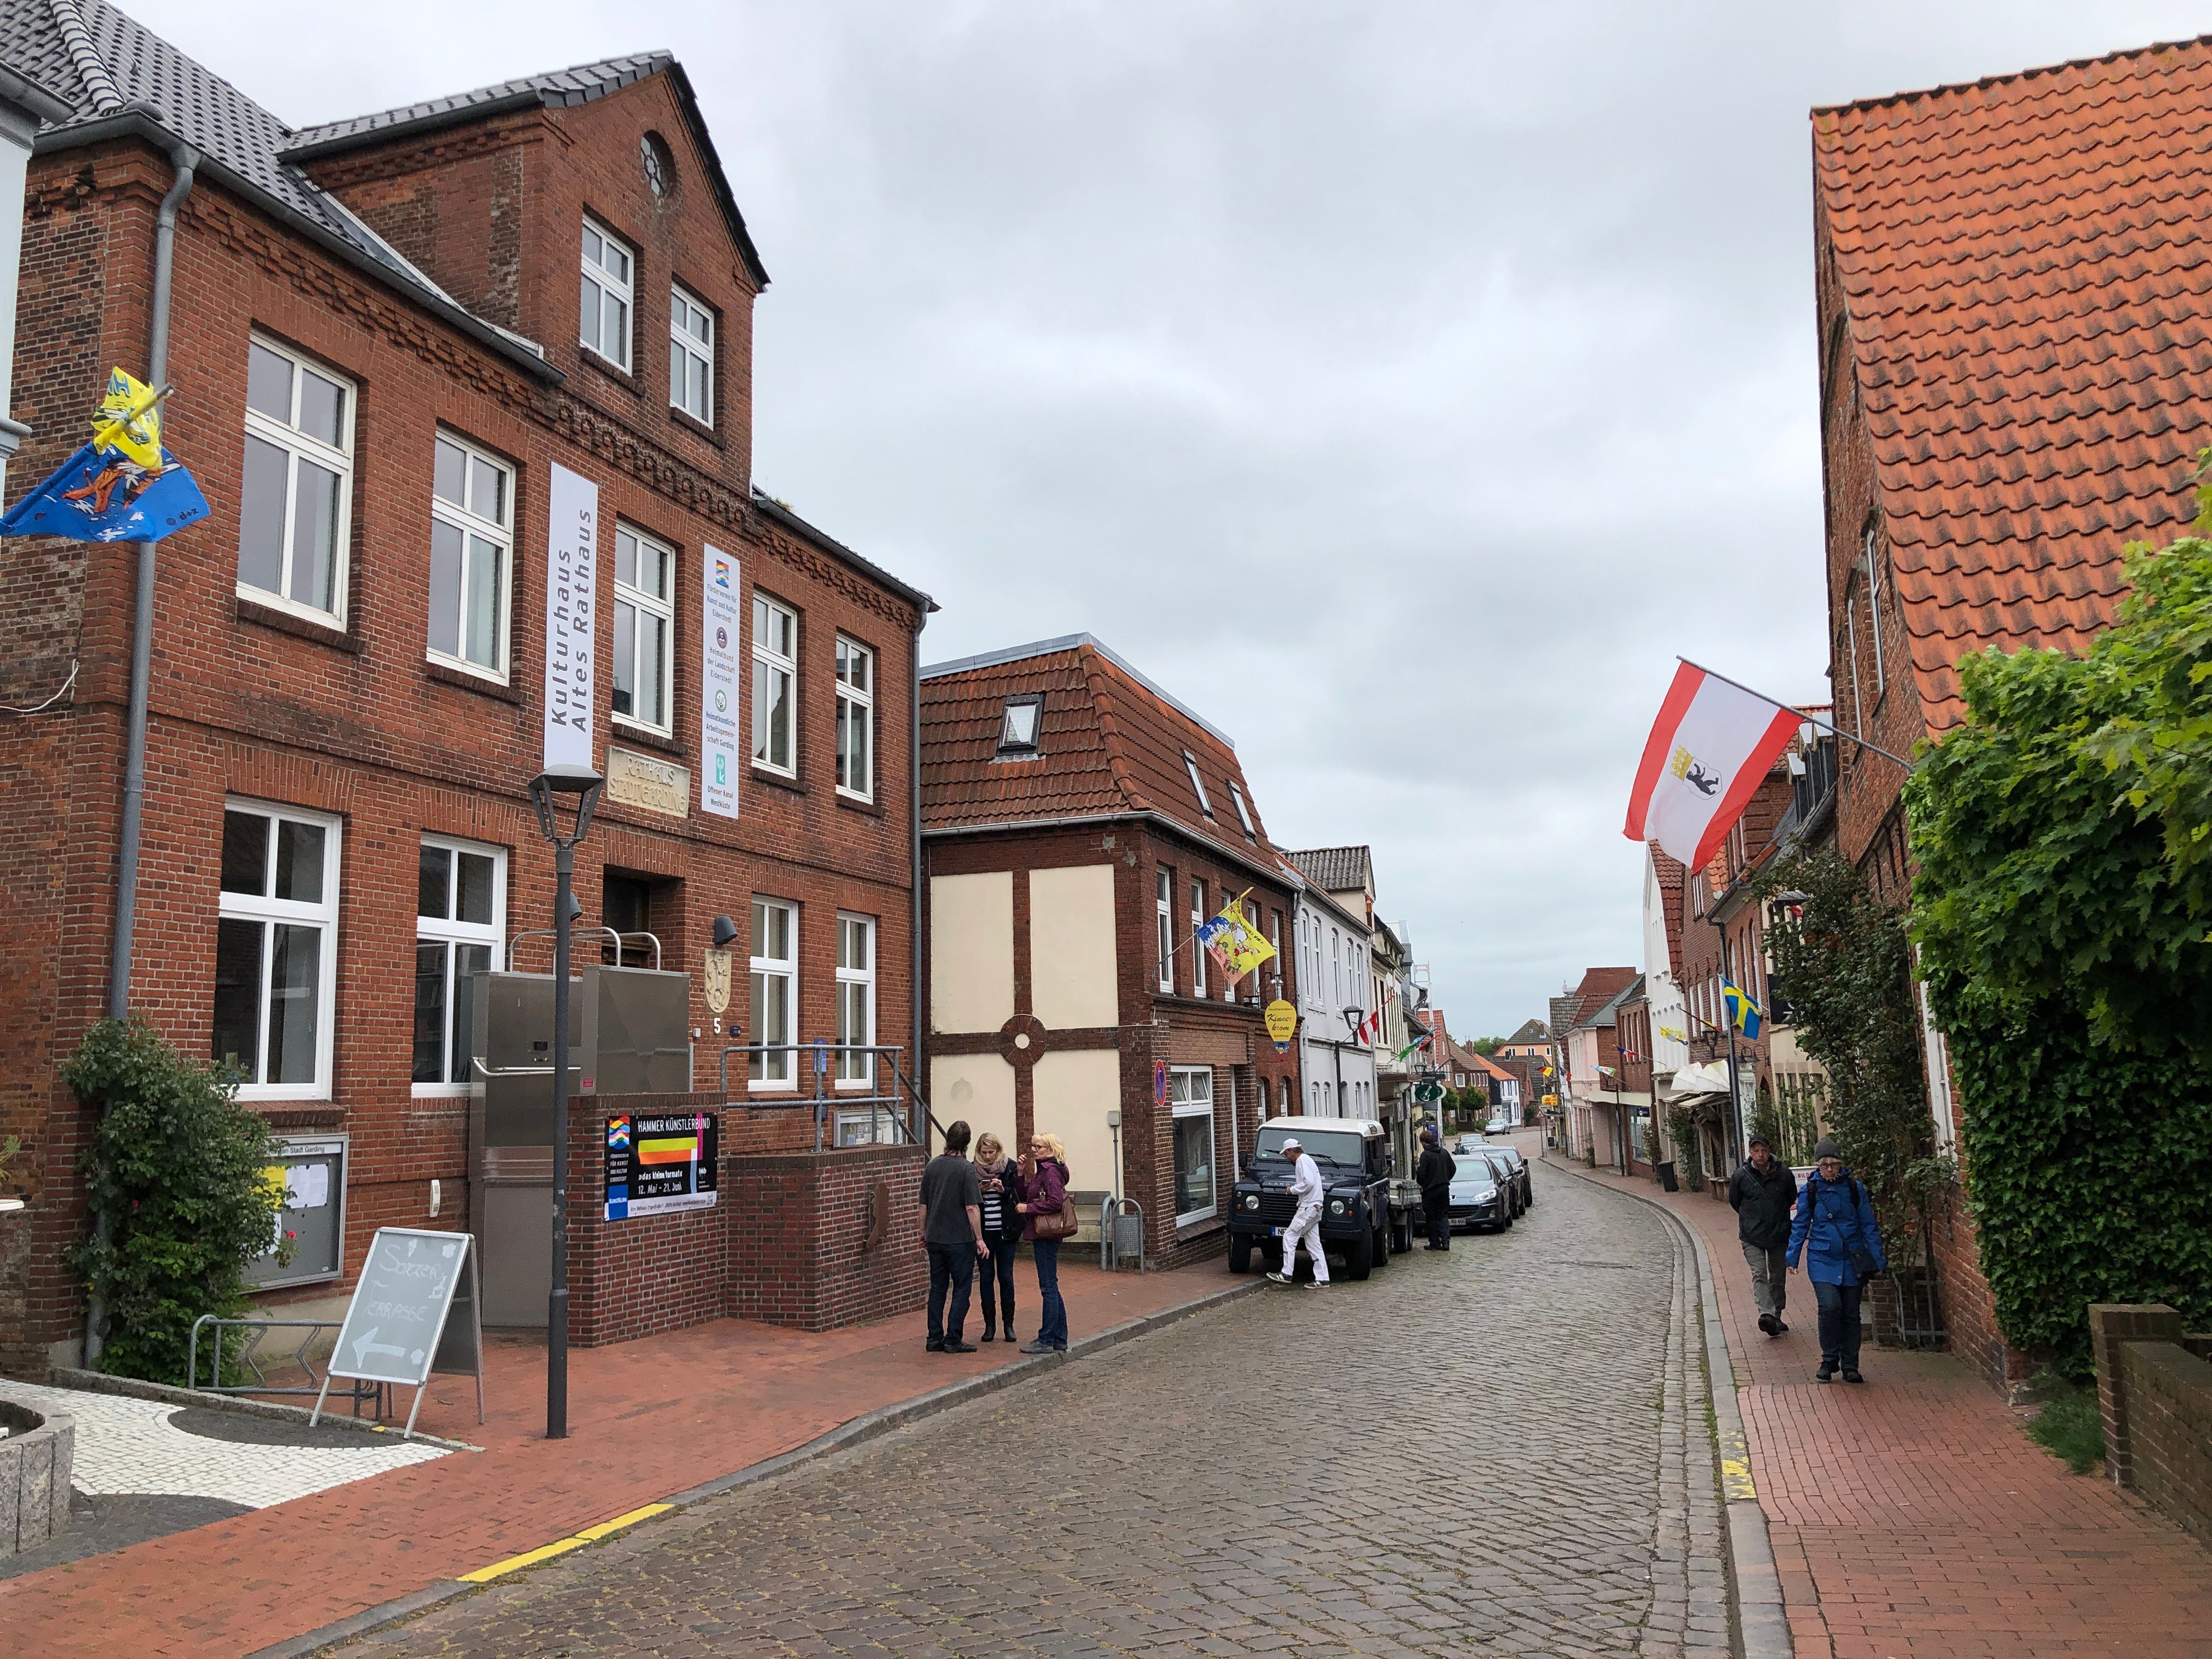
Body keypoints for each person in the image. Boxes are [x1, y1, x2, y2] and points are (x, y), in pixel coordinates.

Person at [1787, 1136, 1886, 1384]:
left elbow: (1868, 1225)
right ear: (1817, 1167)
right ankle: (1829, 1358)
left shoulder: (1855, 1189)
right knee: (1830, 1307)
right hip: (1822, 1258)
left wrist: (1877, 1259)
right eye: (1824, 1165)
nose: (1829, 1169)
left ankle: (1851, 1365)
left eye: (1833, 1164)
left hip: (1852, 1259)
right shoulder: (1810, 1191)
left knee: (1851, 1314)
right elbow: (1800, 1225)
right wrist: (1793, 1256)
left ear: (1841, 1165)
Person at [916, 1118, 988, 1354]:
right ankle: (953, 1339)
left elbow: (923, 1205)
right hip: (959, 1239)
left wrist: (923, 1232)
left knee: (937, 1289)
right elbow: (972, 1208)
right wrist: (979, 1238)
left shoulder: (932, 1166)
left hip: (935, 1237)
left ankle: (934, 1338)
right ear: (967, 1143)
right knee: (961, 1289)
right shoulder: (966, 1169)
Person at [1728, 1133, 1799, 1338]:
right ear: (1750, 1153)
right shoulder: (1741, 1176)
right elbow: (1735, 1202)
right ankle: (1766, 1314)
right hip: (1752, 1236)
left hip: (1778, 1233)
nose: (1760, 1155)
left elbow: (1791, 1198)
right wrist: (1750, 1219)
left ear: (1770, 1152)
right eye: (1756, 1151)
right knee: (1759, 1274)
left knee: (1777, 1276)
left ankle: (1776, 1315)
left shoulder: (1784, 1174)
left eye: (1764, 1151)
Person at [1014, 1132, 1071, 1354]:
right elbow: (1027, 1195)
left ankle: (1046, 1339)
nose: (1034, 1150)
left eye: (1038, 1146)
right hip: (1043, 1235)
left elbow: (1055, 1202)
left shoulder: (1050, 1172)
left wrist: (1029, 1209)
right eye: (1033, 1146)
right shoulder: (1044, 1171)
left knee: (1048, 1288)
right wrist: (1020, 1175)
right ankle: (1060, 1337)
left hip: (1046, 1235)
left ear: (1050, 1149)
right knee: (1052, 1287)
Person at [973, 1132, 1022, 1345]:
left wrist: (1004, 1190)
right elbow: (968, 1201)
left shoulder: (1009, 1167)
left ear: (998, 1150)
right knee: (986, 1279)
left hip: (1005, 1233)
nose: (988, 1157)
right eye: (984, 1153)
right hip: (984, 1235)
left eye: (991, 1152)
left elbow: (1019, 1197)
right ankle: (989, 1325)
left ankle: (1009, 1325)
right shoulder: (972, 1169)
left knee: (1006, 1277)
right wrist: (979, 1191)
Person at [1267, 1135, 1329, 1288]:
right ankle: (1323, 1278)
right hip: (1315, 1207)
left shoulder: (1301, 1161)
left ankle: (1286, 1273)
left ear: (1291, 1150)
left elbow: (1308, 1183)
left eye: (1286, 1154)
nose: (1286, 1157)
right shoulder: (1308, 1160)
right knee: (1313, 1243)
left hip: (1308, 1207)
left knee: (1289, 1236)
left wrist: (1292, 1190)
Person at [1415, 1126, 1455, 1251]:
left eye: (1421, 1142)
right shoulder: (1444, 1153)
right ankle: (1446, 1242)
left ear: (1424, 1142)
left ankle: (1435, 1243)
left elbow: (1421, 1174)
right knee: (1443, 1216)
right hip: (1444, 1189)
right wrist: (1445, 1179)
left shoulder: (1426, 1155)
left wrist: (1422, 1182)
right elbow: (1453, 1169)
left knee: (1431, 1217)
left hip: (1430, 1191)